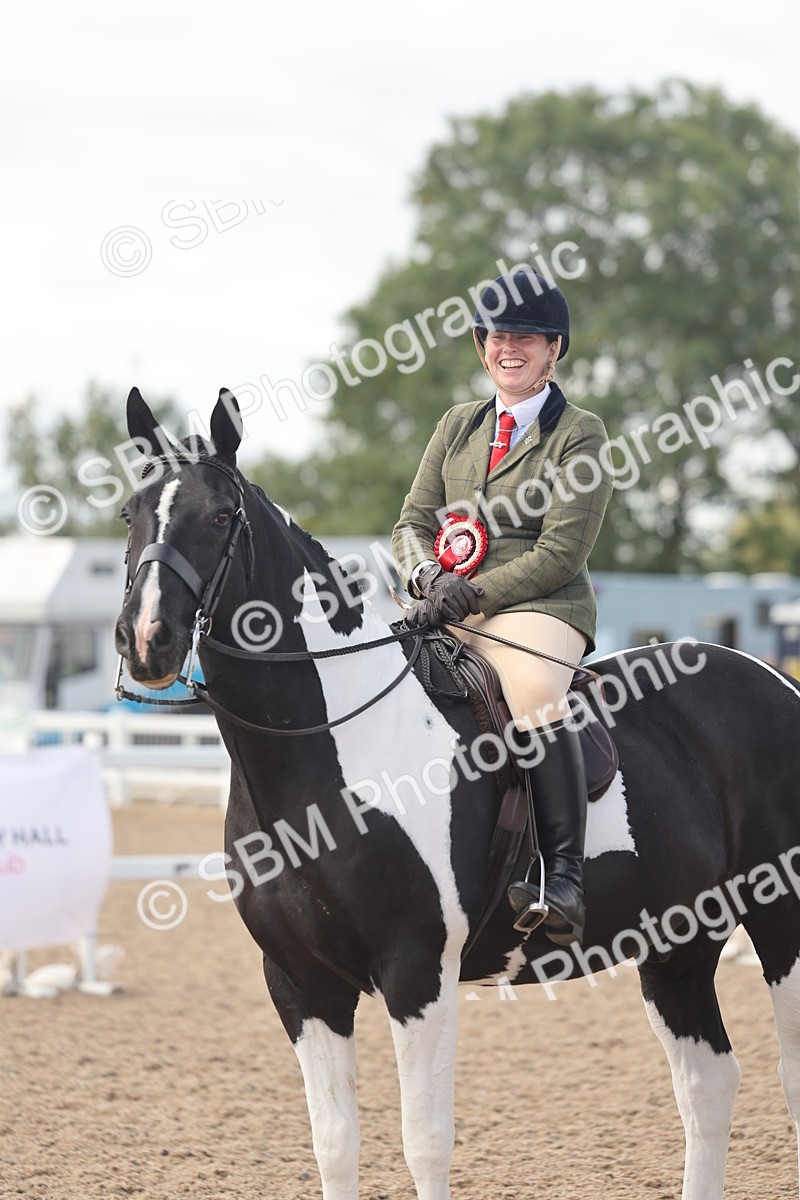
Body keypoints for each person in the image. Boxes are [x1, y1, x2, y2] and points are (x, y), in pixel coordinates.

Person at [391, 267, 613, 946]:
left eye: (526, 336)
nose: (507, 347)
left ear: (553, 348)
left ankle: (563, 876)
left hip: (543, 606)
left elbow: (560, 554)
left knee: (535, 690)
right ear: (482, 345)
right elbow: (411, 521)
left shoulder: (580, 434)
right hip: (448, 601)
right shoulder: (458, 425)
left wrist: (472, 593)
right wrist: (427, 574)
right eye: (495, 335)